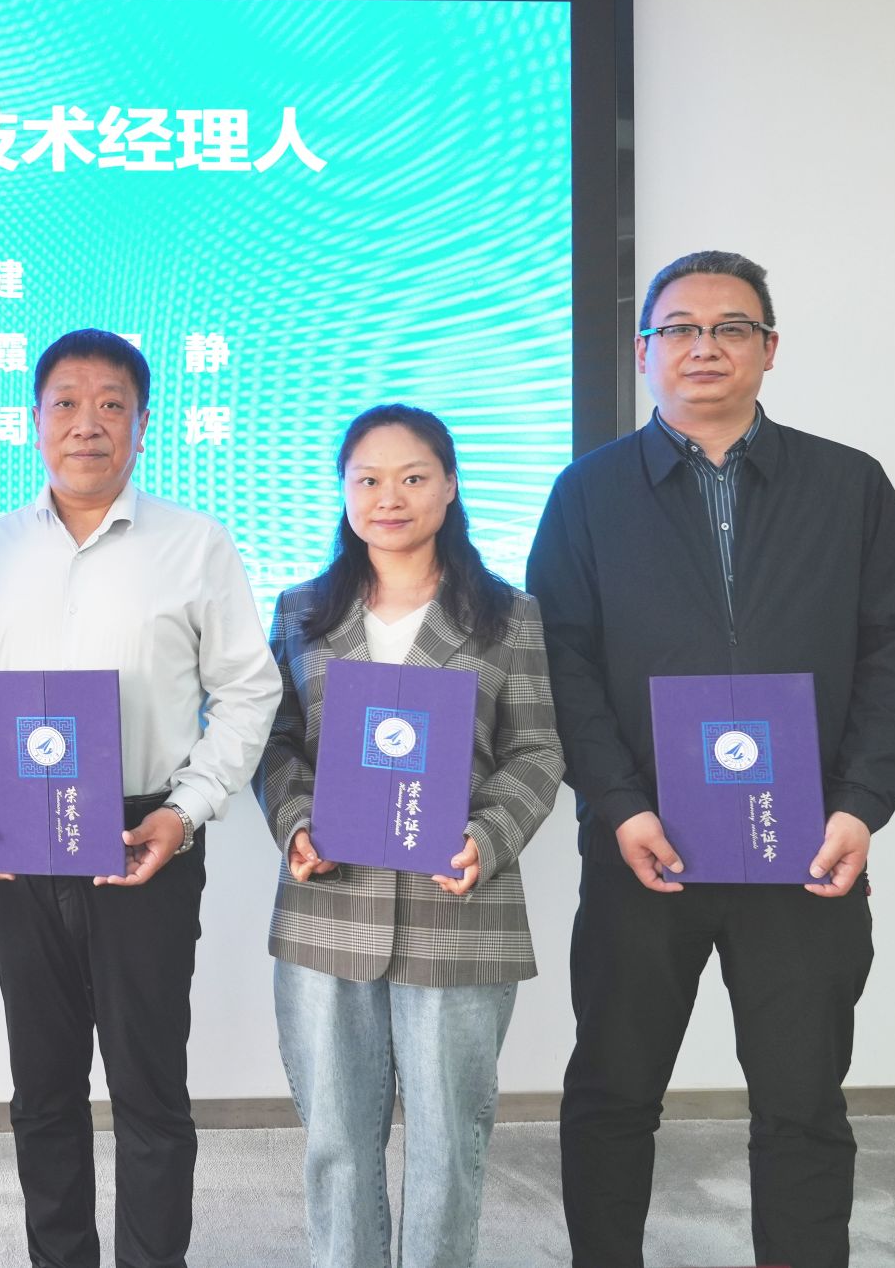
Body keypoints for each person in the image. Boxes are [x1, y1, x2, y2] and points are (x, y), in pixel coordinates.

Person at [528, 251, 895, 1268]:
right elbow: (558, 665)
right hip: (642, 850)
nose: (702, 347)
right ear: (643, 351)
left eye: (730, 327)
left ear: (768, 348)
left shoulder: (847, 486)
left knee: (801, 1104)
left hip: (804, 850)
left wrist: (858, 807)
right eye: (678, 328)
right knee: (612, 1094)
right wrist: (619, 804)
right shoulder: (586, 495)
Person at [0, 328, 283, 1268]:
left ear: (143, 424)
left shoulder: (195, 545)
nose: (86, 424)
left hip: (146, 833)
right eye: (65, 403)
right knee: (42, 1089)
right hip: (20, 833)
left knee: (149, 1090)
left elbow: (249, 689)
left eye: (110, 406)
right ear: (34, 422)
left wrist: (187, 809)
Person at [259, 403, 563, 1266]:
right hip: (328, 904)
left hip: (458, 906)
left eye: (412, 477)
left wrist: (488, 839)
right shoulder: (301, 611)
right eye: (367, 479)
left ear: (450, 485)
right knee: (336, 1143)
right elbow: (274, 741)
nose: (388, 497)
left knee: (448, 1147)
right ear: (344, 492)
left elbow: (538, 749)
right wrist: (294, 824)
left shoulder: (509, 615)